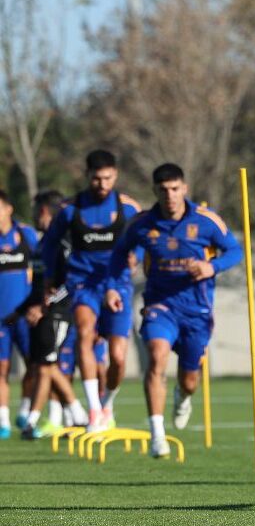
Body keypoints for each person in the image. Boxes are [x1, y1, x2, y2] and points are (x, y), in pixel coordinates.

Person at [104, 164, 242, 457]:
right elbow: (119, 253)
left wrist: (211, 266)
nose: (170, 195)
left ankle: (183, 395)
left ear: (184, 188)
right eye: (164, 190)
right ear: (155, 191)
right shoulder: (142, 223)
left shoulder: (206, 220)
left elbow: (235, 250)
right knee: (156, 356)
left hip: (197, 310)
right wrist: (113, 286)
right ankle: (157, 435)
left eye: (175, 189)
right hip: (160, 305)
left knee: (190, 379)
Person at [41, 150, 141, 431]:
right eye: (97, 179)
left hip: (117, 284)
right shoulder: (70, 208)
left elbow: (145, 237)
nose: (102, 184)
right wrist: (50, 276)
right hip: (83, 282)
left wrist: (137, 256)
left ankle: (107, 403)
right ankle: (94, 411)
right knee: (85, 333)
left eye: (107, 178)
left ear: (115, 175)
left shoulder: (128, 208)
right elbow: (50, 243)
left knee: (117, 357)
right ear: (87, 176)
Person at [16, 191, 86, 439]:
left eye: (36, 210)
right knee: (45, 365)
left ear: (44, 211)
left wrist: (45, 306)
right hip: (42, 314)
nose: (34, 215)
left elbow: (70, 282)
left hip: (58, 313)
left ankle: (44, 419)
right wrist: (23, 310)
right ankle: (75, 415)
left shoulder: (63, 243)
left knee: (47, 365)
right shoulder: (42, 244)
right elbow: (38, 286)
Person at [0, 189, 37, 439]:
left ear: (8, 208)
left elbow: (44, 266)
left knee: (33, 365)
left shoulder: (26, 234)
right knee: (2, 367)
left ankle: (24, 411)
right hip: (0, 317)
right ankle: (2, 420)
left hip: (25, 315)